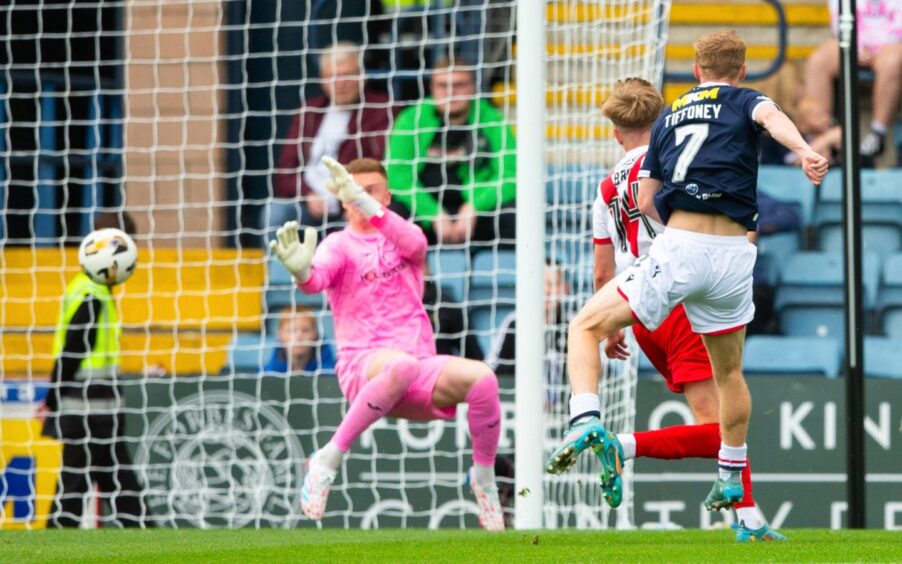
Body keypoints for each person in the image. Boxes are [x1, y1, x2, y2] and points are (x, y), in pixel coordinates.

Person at [546, 31, 828, 525]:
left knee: (583, 327)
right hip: (731, 257)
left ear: (696, 72)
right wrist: (805, 151)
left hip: (666, 278)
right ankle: (735, 489)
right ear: (742, 72)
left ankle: (588, 422)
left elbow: (644, 209)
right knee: (731, 379)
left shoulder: (650, 142)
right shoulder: (745, 102)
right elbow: (771, 117)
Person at [588, 77, 785, 541]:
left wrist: (611, 328)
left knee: (719, 416)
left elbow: (601, 272)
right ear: (662, 122)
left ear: (616, 132)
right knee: (723, 423)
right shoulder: (675, 164)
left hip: (638, 310)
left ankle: (749, 519)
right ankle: (623, 445)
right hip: (680, 298)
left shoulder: (606, 187)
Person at [269, 156, 504, 530]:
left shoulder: (403, 237)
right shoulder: (338, 245)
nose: (361, 196)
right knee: (402, 365)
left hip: (415, 370)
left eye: (370, 190)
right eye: (354, 191)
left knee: (483, 379)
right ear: (342, 201)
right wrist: (300, 270)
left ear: (387, 195)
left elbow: (416, 242)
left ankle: (485, 479)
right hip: (364, 367)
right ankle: (326, 459)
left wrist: (364, 202)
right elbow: (315, 280)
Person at [41, 212, 151, 528]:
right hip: (89, 408)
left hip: (97, 406)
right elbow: (73, 349)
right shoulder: (91, 293)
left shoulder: (91, 288)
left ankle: (147, 534)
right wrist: (52, 399)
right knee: (81, 487)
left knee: (115, 481)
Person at [385, 55, 517, 249]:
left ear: (472, 87)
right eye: (443, 85)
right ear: (432, 88)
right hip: (424, 213)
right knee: (392, 214)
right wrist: (433, 214)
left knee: (513, 213)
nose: (451, 92)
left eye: (459, 85)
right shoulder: (412, 119)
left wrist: (475, 207)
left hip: (476, 213)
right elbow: (396, 175)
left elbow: (510, 175)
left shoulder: (492, 120)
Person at [271, 41, 397, 236]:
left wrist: (351, 201)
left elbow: (380, 166)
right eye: (333, 77)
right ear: (322, 79)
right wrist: (307, 195)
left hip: (354, 206)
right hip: (307, 204)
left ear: (362, 76)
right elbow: (285, 170)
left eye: (347, 76)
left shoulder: (382, 110)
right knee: (275, 211)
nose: (340, 84)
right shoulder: (309, 112)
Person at [801, 0, 902, 161]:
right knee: (819, 60)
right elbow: (838, 21)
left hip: (890, 45)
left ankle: (878, 134)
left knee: (893, 61)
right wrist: (857, 47)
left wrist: (875, 47)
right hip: (852, 43)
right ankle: (820, 137)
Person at [486, 264, 570, 410]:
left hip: (564, 409)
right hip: (519, 406)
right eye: (540, 284)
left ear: (565, 289)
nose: (546, 291)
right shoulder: (514, 323)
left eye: (552, 284)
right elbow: (493, 368)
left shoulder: (573, 326)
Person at [262, 306, 336, 374]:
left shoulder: (334, 372)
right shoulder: (266, 374)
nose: (299, 337)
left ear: (315, 334)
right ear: (280, 334)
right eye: (292, 330)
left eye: (305, 330)